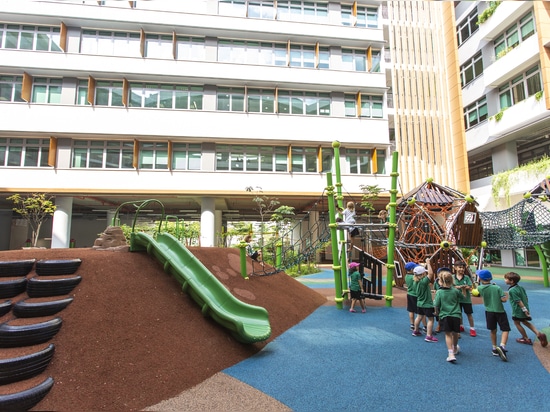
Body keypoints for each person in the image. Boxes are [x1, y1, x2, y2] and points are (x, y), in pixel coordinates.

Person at [504, 272, 548, 347]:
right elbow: (526, 298)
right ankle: (538, 334)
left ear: (511, 281)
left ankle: (525, 338)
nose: (505, 280)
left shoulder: (512, 290)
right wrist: (526, 308)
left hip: (518, 310)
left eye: (506, 279)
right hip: (524, 308)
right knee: (525, 322)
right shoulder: (521, 288)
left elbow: (518, 301)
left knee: (517, 323)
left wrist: (524, 309)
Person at [477, 269, 510, 361]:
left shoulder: (480, 288)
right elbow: (504, 300)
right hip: (499, 311)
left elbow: (477, 293)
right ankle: (502, 345)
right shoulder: (497, 288)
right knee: (505, 329)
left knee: (493, 330)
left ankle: (494, 347)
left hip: (489, 311)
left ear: (480, 278)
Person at [434, 270, 464, 362]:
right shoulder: (455, 291)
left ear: (441, 281)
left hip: (445, 315)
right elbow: (462, 297)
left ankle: (450, 353)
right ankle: (455, 348)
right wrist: (463, 289)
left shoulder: (439, 292)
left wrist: (437, 313)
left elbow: (437, 305)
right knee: (455, 333)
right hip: (456, 315)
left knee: (448, 334)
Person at [412, 261, 438, 342]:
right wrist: (429, 263)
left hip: (419, 303)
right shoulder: (423, 282)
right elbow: (431, 274)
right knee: (431, 319)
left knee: (419, 317)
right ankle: (429, 336)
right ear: (423, 274)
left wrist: (425, 265)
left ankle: (416, 331)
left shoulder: (415, 282)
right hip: (427, 304)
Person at [454, 261, 476, 337]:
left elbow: (470, 286)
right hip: (457, 299)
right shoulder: (453, 277)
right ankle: (461, 326)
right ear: (455, 268)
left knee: (469, 314)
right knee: (458, 314)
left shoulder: (466, 277)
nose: (462, 269)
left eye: (463, 268)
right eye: (460, 267)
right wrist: (458, 287)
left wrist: (464, 287)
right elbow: (451, 286)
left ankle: (472, 328)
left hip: (466, 300)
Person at [404, 262, 418, 330]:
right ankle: (423, 326)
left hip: (409, 294)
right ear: (412, 269)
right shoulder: (413, 277)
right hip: (415, 295)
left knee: (411, 310)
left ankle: (412, 324)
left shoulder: (406, 276)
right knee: (419, 312)